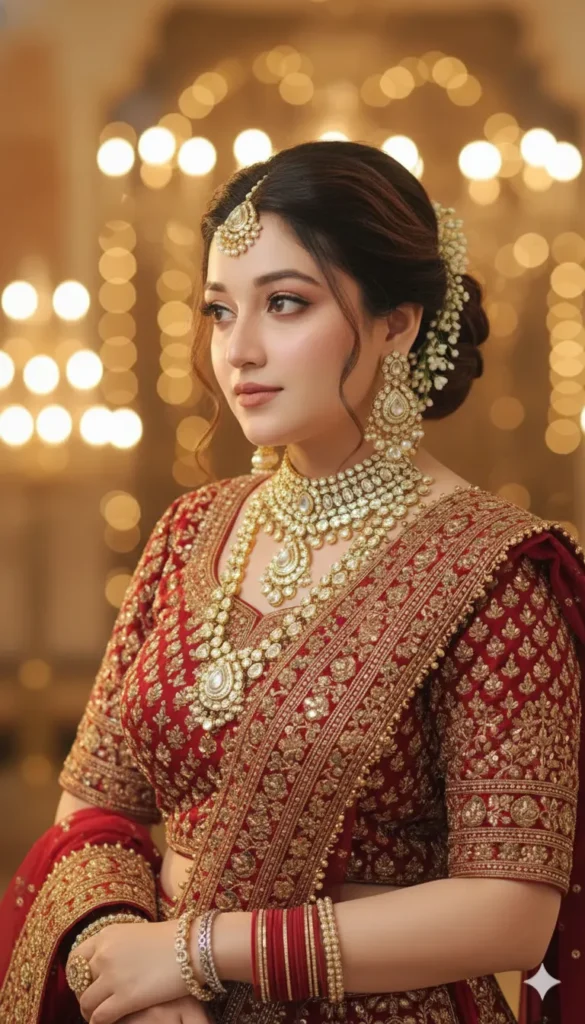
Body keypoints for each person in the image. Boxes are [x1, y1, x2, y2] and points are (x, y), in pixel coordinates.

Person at [0, 140, 584, 1024]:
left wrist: (194, 952)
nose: (238, 349)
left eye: (284, 303)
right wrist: (131, 966)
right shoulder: (189, 531)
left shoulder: (498, 572)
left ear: (399, 320)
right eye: (218, 309)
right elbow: (90, 813)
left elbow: (509, 912)